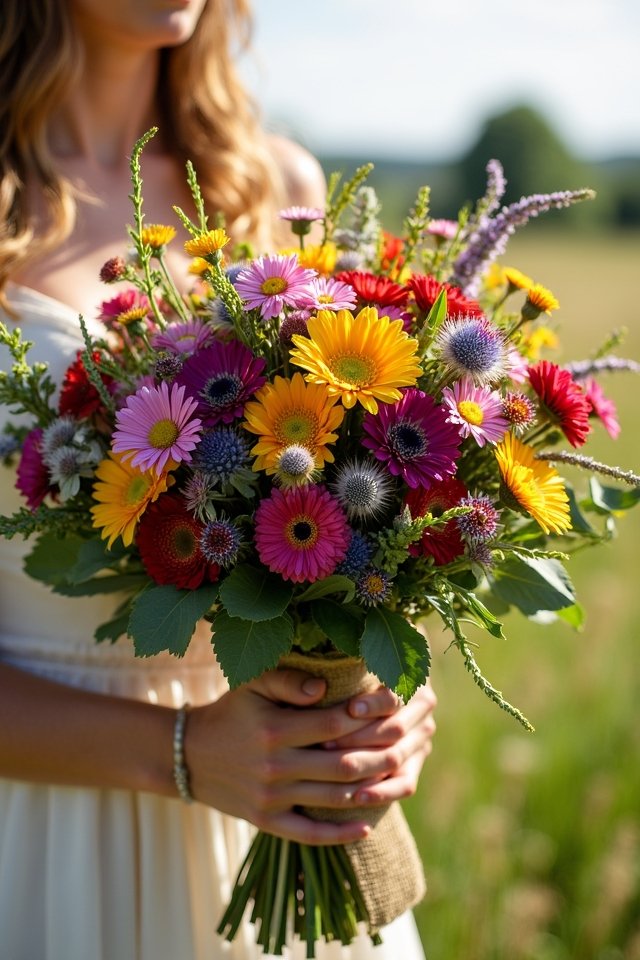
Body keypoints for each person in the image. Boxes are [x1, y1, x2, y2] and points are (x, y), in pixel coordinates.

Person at [0, 2, 437, 958]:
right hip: (48, 839)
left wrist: (382, 701)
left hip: (282, 818)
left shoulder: (274, 184)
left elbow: (350, 504)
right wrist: (188, 756)